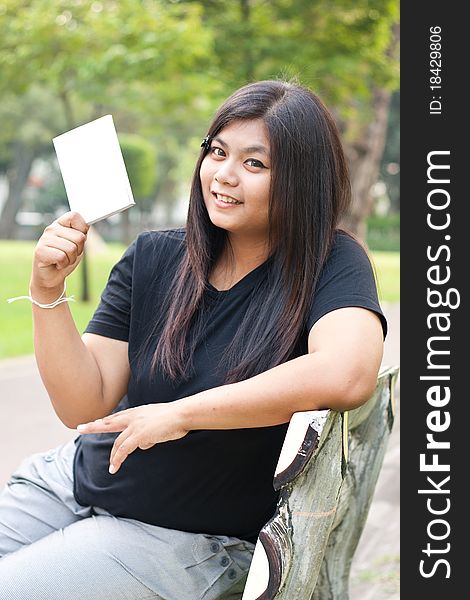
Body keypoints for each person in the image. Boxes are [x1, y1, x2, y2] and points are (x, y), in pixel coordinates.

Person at [0, 80, 387, 599]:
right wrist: (46, 290)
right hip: (69, 483)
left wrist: (181, 413)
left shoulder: (331, 263)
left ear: (301, 180)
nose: (223, 175)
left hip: (180, 538)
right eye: (217, 151)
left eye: (255, 164)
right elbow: (82, 404)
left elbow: (347, 371)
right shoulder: (155, 256)